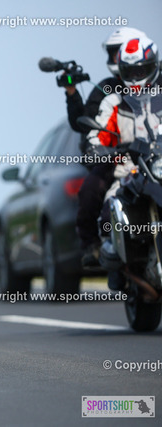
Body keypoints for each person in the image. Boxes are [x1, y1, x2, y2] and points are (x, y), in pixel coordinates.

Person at [60, 27, 147, 266]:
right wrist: (72, 94)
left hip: (154, 160)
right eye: (115, 53)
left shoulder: (157, 88)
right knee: (91, 189)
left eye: (120, 51)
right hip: (119, 160)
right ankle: (93, 245)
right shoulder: (108, 90)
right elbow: (86, 124)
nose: (118, 58)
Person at [87, 35, 161, 288]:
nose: (136, 77)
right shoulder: (114, 100)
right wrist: (97, 146)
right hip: (128, 170)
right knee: (111, 205)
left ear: (153, 66)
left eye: (141, 70)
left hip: (159, 166)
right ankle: (117, 260)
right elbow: (98, 132)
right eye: (131, 72)